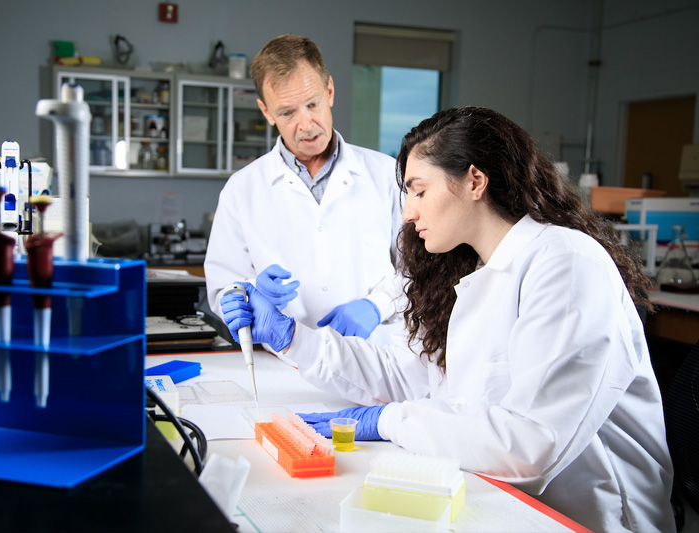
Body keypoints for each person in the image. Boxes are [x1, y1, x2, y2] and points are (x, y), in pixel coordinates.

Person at [220, 107, 675, 532]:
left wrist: (387, 422)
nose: (408, 212)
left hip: (584, 515)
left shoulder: (567, 263)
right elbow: (412, 378)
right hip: (495, 496)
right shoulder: (473, 271)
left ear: (474, 181)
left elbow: (534, 442)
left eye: (419, 190)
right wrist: (289, 336)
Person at [203, 35, 405, 349]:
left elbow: (422, 271)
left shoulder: (386, 175)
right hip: (285, 363)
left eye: (312, 104)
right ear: (266, 112)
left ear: (330, 91)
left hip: (376, 357)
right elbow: (224, 285)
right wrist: (246, 293)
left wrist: (378, 305)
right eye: (287, 113)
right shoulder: (242, 189)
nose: (306, 124)